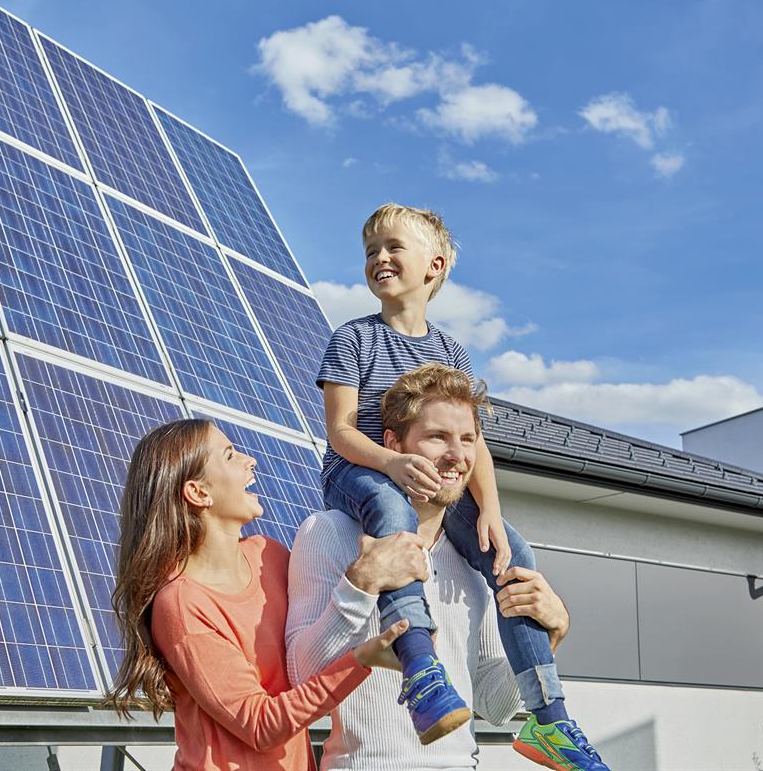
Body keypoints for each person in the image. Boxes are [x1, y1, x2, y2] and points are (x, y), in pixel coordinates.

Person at [314, 203, 608, 767]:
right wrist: (389, 464)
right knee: (391, 514)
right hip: (360, 475)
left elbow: (475, 446)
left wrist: (491, 512)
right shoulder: (351, 339)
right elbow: (340, 431)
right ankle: (421, 670)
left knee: (511, 552)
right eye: (371, 250)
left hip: (425, 486)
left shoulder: (451, 352)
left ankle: (549, 718)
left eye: (395, 247)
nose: (380, 257)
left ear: (435, 265)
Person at [288, 365, 610, 770]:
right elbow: (299, 678)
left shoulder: (479, 556)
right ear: (393, 444)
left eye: (468, 440)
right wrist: (361, 582)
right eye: (437, 437)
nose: (457, 456)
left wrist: (554, 632)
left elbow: (494, 705)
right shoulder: (328, 531)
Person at [107, 419, 410, 771]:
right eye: (230, 455)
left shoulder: (271, 556)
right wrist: (361, 660)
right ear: (198, 493)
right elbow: (261, 725)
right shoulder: (181, 604)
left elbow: (313, 653)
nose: (250, 460)